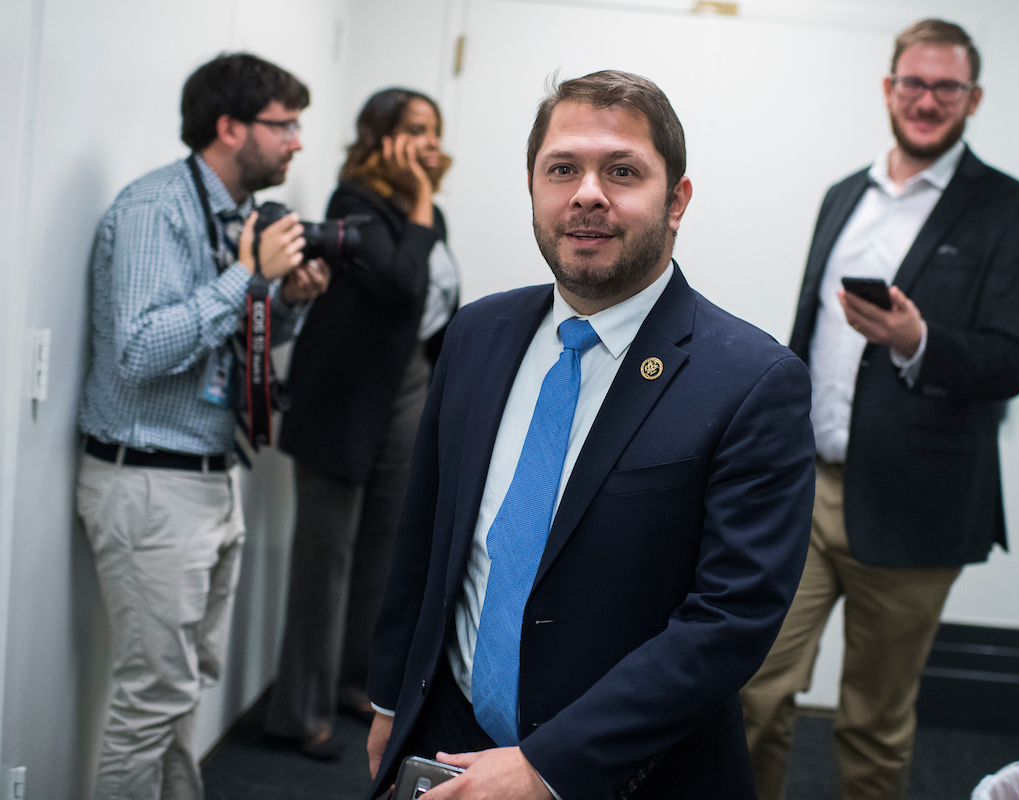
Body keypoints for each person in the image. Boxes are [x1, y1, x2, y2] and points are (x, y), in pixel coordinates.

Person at [363, 70, 816, 800]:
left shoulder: (753, 381)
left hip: (625, 772)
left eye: (623, 172)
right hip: (445, 737)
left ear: (677, 202)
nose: (587, 195)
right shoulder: (477, 333)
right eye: (562, 169)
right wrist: (391, 700)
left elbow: (728, 622)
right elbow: (424, 538)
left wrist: (550, 764)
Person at [739, 19, 1019, 800]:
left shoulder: (1017, 212)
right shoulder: (843, 195)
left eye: (948, 86)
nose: (927, 99)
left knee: (873, 723)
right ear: (888, 88)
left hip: (918, 507)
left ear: (973, 98)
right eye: (913, 82)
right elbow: (805, 337)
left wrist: (919, 341)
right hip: (803, 491)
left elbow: (1013, 361)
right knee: (751, 696)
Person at [75, 52, 329, 800]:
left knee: (183, 689)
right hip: (150, 478)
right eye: (285, 125)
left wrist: (289, 299)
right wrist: (250, 275)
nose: (297, 142)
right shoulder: (158, 210)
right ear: (229, 127)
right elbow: (139, 351)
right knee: (151, 699)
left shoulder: (232, 214)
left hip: (209, 478)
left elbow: (223, 339)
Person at [266, 88, 459, 760]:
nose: (429, 143)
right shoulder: (356, 202)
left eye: (434, 130)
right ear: (381, 138)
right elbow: (401, 283)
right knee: (327, 561)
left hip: (405, 392)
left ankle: (354, 684)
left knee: (382, 555)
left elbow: (432, 308)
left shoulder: (418, 209)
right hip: (343, 399)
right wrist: (420, 198)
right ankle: (299, 712)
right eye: (414, 130)